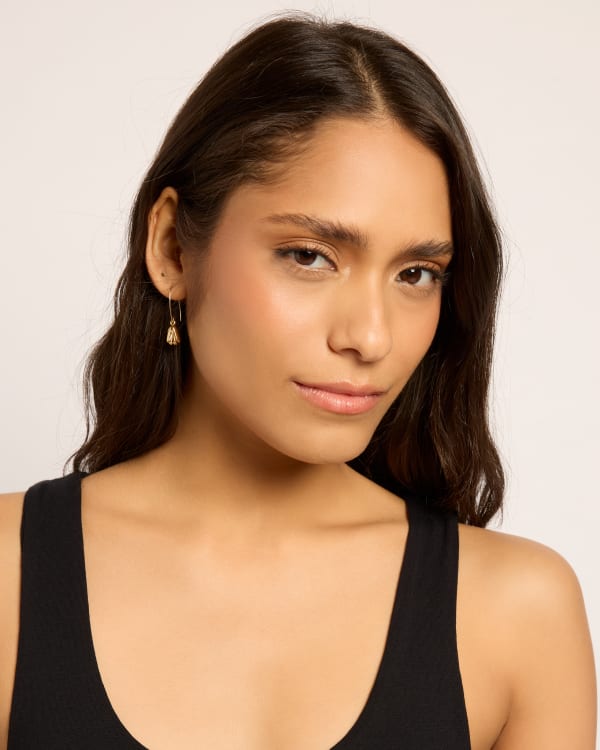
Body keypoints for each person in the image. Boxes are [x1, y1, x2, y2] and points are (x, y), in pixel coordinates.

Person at [0, 13, 595, 750]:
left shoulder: (518, 614)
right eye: (310, 256)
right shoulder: (9, 579)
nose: (371, 337)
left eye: (416, 274)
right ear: (172, 248)